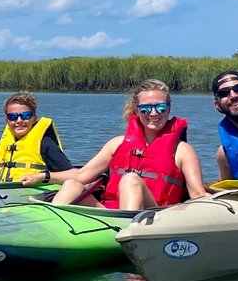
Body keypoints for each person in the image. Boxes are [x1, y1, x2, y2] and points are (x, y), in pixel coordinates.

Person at [52, 79, 206, 213]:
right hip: (109, 215)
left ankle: (127, 234)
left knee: (130, 179)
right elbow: (80, 176)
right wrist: (44, 177)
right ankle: (49, 231)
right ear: (137, 110)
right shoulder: (116, 144)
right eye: (145, 109)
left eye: (160, 108)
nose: (153, 113)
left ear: (168, 109)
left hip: (156, 216)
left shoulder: (183, 151)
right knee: (72, 185)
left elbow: (197, 193)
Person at [0, 92, 81, 185]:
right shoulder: (5, 143)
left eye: (25, 115)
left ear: (34, 119)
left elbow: (74, 174)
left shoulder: (45, 143)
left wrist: (42, 176)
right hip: (2, 194)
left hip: (31, 196)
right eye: (13, 116)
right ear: (7, 120)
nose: (19, 121)